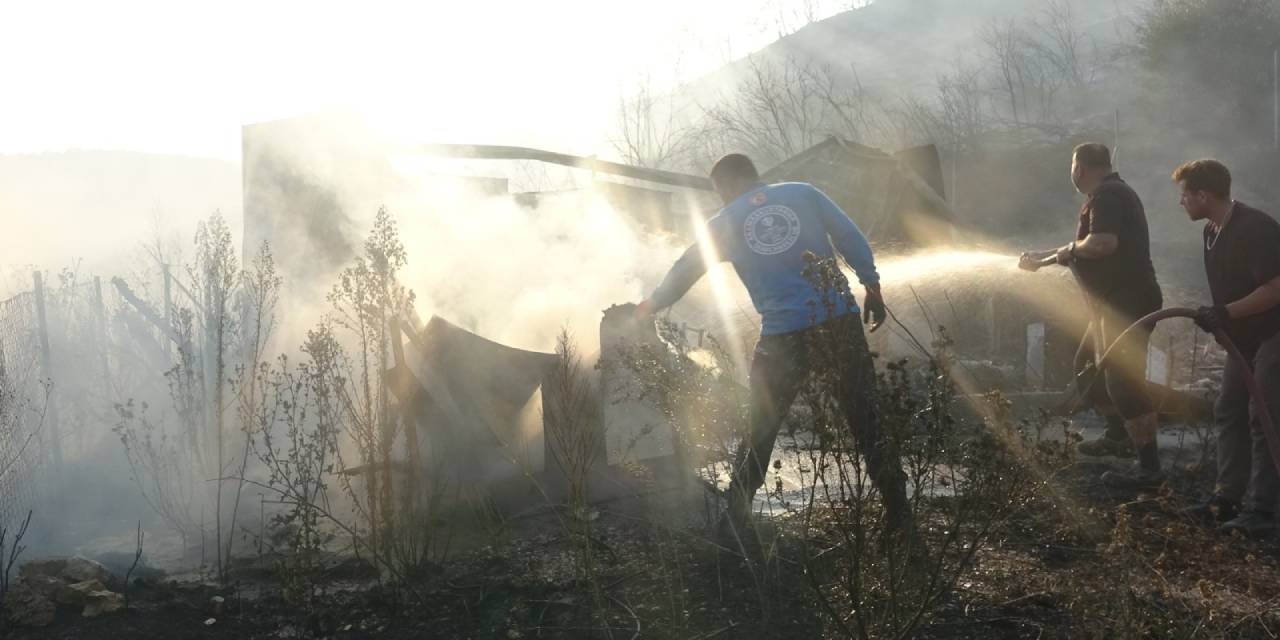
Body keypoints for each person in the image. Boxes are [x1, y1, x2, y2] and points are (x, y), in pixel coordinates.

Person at [634, 153, 911, 541]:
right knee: (866, 419)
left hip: (784, 336)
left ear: (727, 186)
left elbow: (686, 268)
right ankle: (900, 515)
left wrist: (650, 305)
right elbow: (850, 236)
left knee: (760, 428)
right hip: (839, 323)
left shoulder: (725, 222)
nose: (722, 200)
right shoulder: (804, 193)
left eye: (720, 193)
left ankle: (733, 523)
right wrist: (872, 284)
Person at [1018, 143, 1165, 488]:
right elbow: (1083, 249)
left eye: (1072, 168)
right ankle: (1117, 436)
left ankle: (1150, 468)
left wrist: (1066, 250)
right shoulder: (1109, 194)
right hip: (1111, 304)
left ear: (1080, 168)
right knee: (1087, 368)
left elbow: (1101, 244)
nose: (1072, 174)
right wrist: (1044, 258)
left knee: (1123, 381)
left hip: (1127, 304)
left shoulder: (1108, 196)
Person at [1174, 159, 1280, 536]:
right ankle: (1227, 498)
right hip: (1244, 338)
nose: (1181, 202)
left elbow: (1275, 286)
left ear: (1204, 195)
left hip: (1274, 332)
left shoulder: (1256, 228)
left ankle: (1263, 510)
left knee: (1264, 414)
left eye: (1184, 195)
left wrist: (1225, 312)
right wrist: (1220, 317)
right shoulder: (1210, 232)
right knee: (1229, 409)